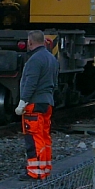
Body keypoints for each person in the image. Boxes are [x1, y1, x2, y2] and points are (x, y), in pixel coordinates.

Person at [16, 29, 60, 180]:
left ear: (30, 42)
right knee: (44, 136)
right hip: (47, 102)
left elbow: (30, 83)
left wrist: (23, 102)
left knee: (34, 138)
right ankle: (45, 168)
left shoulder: (34, 60)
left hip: (34, 104)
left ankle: (35, 172)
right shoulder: (51, 58)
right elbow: (55, 82)